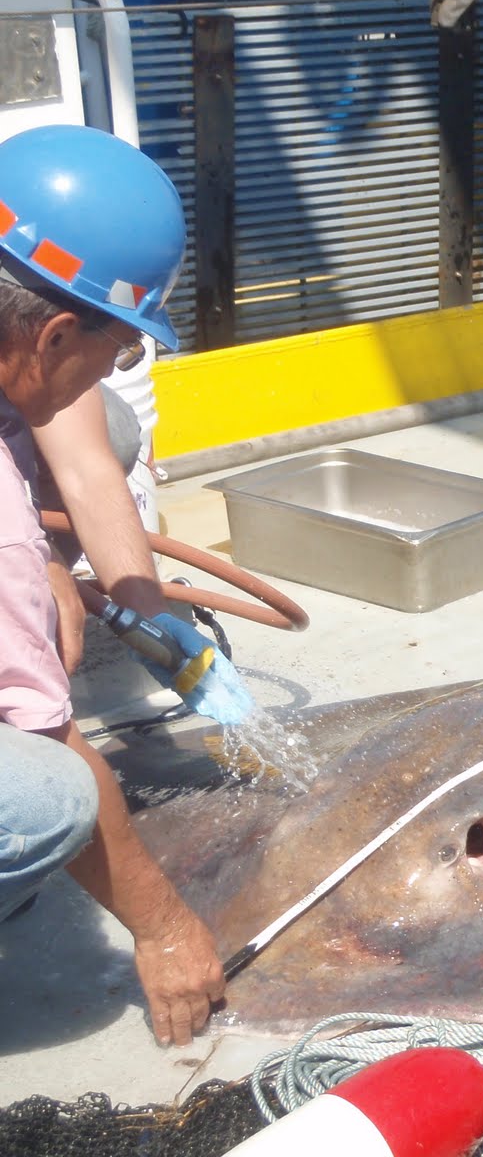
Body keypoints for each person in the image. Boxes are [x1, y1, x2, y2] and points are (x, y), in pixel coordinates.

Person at [0, 123, 251, 1045]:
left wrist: (139, 604)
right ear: (57, 328)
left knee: (106, 424)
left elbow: (78, 442)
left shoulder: (20, 329)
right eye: (119, 344)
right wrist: (165, 925)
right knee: (44, 800)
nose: (120, 364)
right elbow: (52, 740)